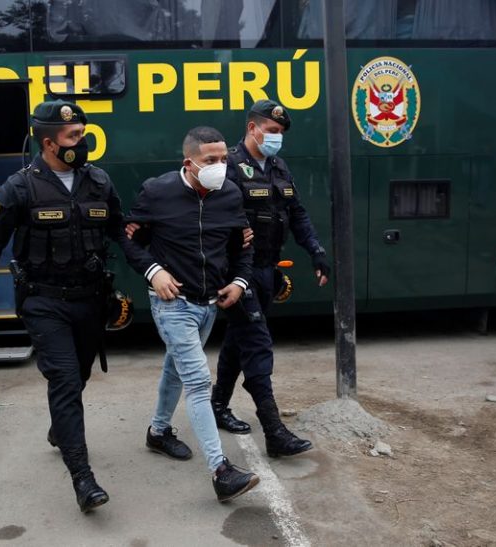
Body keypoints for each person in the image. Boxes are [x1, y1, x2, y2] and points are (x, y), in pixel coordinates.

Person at [0, 100, 125, 513]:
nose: (83, 140)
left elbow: (121, 230)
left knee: (81, 375)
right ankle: (83, 477)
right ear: (48, 141)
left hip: (91, 300)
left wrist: (155, 266)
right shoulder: (19, 187)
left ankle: (60, 430)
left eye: (83, 132)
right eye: (74, 135)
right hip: (43, 302)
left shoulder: (99, 181)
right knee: (66, 381)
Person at [120, 126, 260, 502]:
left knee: (175, 367)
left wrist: (241, 281)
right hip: (172, 304)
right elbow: (129, 238)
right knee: (198, 381)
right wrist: (154, 271)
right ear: (189, 163)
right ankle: (221, 471)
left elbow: (243, 246)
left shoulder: (230, 194)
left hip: (209, 303)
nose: (219, 166)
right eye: (209, 161)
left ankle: (158, 432)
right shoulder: (157, 192)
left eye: (223, 160)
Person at [212, 99, 330, 457]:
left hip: (267, 270)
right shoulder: (230, 166)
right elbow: (211, 216)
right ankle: (274, 431)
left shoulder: (279, 167)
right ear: (253, 128)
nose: (277, 138)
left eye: (280, 133)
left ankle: (217, 406)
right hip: (238, 273)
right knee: (258, 343)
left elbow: (297, 214)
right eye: (272, 131)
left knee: (239, 338)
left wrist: (316, 251)